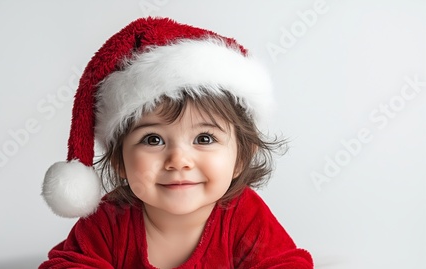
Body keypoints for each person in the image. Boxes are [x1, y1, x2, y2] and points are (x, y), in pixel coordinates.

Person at [39, 17, 313, 269]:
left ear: (241, 157)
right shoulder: (109, 219)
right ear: (119, 160)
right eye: (153, 139)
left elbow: (287, 264)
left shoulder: (244, 215)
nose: (179, 160)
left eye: (204, 138)